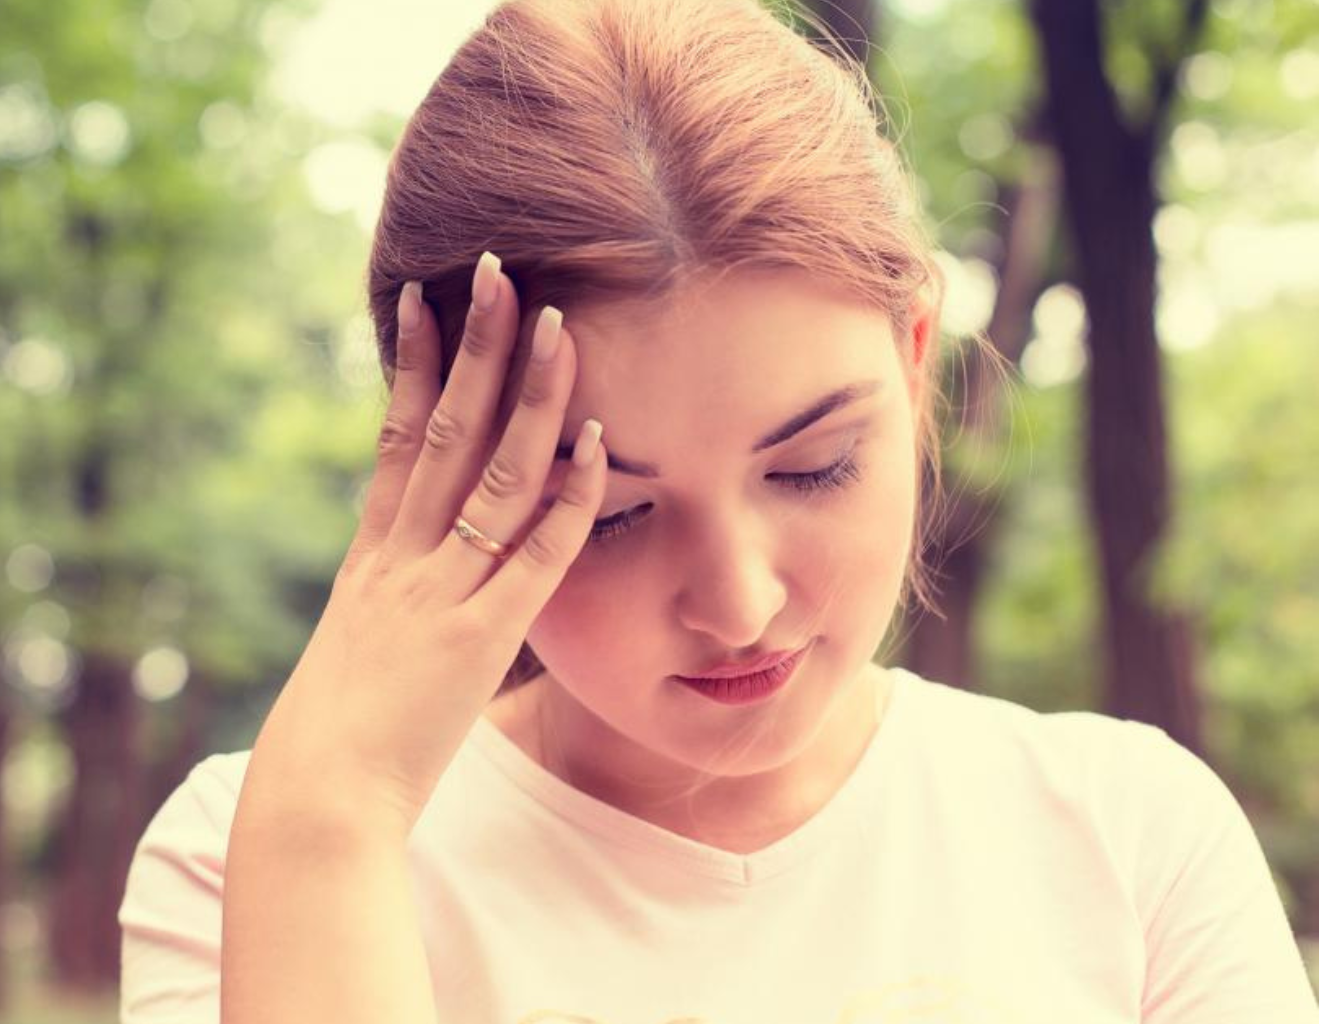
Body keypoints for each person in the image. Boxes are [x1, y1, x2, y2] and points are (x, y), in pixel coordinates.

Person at [117, 0, 1319, 1020]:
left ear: (913, 365)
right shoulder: (254, 854)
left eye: (814, 465)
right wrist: (332, 820)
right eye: (609, 515)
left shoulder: (1125, 840)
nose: (739, 603)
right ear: (445, 469)